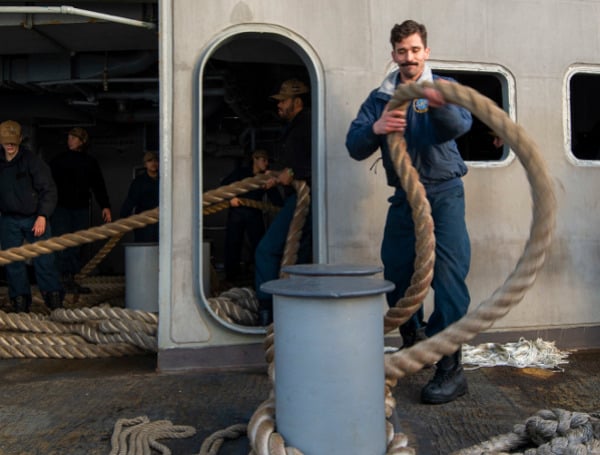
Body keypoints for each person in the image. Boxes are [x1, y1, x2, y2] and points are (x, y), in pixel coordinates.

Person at [346, 20, 473, 405]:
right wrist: (378, 127)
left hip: (444, 194)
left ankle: (450, 366)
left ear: (426, 52)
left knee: (449, 281)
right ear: (393, 55)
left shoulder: (441, 88)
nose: (409, 57)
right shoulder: (379, 98)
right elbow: (354, 144)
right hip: (404, 197)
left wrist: (437, 105)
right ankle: (413, 336)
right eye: (402, 51)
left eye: (415, 50)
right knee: (397, 271)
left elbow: (460, 125)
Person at [254, 78, 312, 325]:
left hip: (305, 199)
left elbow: (319, 157)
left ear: (297, 102)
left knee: (266, 251)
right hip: (298, 197)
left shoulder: (308, 123)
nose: (279, 105)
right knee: (298, 257)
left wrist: (292, 173)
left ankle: (268, 311)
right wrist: (276, 174)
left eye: (283, 101)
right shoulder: (295, 126)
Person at [0, 120, 64, 312]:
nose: (10, 145)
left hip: (34, 217)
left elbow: (49, 190)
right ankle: (20, 302)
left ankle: (53, 301)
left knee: (44, 259)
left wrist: (43, 215)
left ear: (20, 140)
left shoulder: (32, 161)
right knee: (13, 262)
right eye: (6, 141)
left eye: (13, 141)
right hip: (8, 219)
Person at [50, 127, 112, 294]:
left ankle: (70, 279)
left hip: (80, 208)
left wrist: (105, 206)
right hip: (60, 209)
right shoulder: (58, 161)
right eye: (69, 136)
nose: (70, 140)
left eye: (74, 137)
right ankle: (60, 281)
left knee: (77, 245)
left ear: (82, 141)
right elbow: (47, 186)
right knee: (61, 244)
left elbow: (98, 185)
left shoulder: (89, 162)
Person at [220, 149, 282, 283]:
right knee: (233, 244)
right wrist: (231, 198)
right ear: (255, 159)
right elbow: (224, 185)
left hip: (254, 213)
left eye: (267, 161)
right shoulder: (241, 173)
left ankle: (259, 278)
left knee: (259, 245)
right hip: (237, 212)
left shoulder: (265, 178)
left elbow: (277, 201)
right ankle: (231, 277)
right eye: (263, 160)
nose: (266, 163)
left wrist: (274, 185)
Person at [120, 151, 160, 243]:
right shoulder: (138, 182)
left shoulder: (165, 180)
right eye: (150, 161)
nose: (153, 163)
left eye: (156, 160)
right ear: (145, 164)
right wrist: (122, 220)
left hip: (162, 222)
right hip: (144, 222)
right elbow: (130, 201)